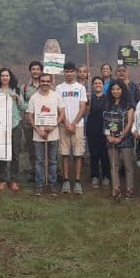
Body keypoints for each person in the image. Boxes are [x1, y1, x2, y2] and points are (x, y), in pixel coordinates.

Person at [27, 73, 65, 197]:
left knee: (53, 161)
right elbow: (30, 116)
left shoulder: (56, 96)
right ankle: (39, 185)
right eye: (43, 81)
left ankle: (52, 184)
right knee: (39, 161)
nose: (45, 83)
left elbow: (61, 113)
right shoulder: (34, 97)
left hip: (53, 133)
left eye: (47, 81)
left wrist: (53, 126)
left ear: (50, 82)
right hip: (38, 134)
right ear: (40, 82)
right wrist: (38, 130)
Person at [56, 62, 87, 194]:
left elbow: (83, 107)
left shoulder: (80, 88)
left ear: (75, 72)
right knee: (64, 153)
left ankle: (78, 181)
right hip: (63, 125)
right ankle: (66, 180)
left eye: (71, 71)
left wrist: (73, 123)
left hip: (78, 126)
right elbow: (59, 108)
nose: (69, 74)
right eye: (66, 71)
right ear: (64, 72)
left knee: (78, 154)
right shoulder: (59, 88)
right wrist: (67, 123)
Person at [0, 68, 23, 192]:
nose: (5, 77)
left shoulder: (17, 90)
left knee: (15, 154)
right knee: (2, 152)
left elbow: (23, 106)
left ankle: (14, 179)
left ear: (10, 77)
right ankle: (3, 179)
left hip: (15, 124)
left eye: (7, 75)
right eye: (2, 75)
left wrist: (16, 98)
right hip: (1, 126)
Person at [104, 81, 135, 199]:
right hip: (110, 138)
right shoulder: (108, 104)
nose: (115, 91)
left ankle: (129, 189)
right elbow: (105, 121)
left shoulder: (129, 104)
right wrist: (108, 137)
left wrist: (121, 136)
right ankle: (115, 189)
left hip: (125, 139)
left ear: (122, 90)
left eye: (118, 89)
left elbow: (130, 122)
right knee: (114, 165)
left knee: (128, 165)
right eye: (113, 89)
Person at [86, 77, 110, 189]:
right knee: (94, 154)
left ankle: (106, 176)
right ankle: (94, 176)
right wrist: (88, 100)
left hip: (105, 130)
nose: (98, 85)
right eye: (95, 83)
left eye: (99, 83)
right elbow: (86, 112)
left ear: (103, 84)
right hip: (92, 129)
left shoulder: (108, 98)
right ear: (92, 85)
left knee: (105, 155)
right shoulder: (90, 98)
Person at [20, 61, 42, 183]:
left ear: (41, 71)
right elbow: (22, 104)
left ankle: (50, 171)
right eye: (33, 69)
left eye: (38, 69)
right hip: (28, 122)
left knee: (46, 146)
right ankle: (34, 171)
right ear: (30, 71)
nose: (35, 71)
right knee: (31, 147)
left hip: (44, 121)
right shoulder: (25, 87)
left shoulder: (47, 84)